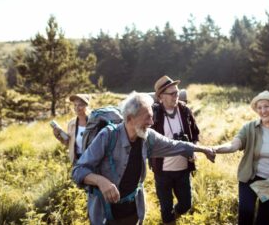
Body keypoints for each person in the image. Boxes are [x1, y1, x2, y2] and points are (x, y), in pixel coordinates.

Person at [72, 92, 215, 225]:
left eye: (152, 116)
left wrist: (203, 149)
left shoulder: (148, 137)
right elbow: (78, 170)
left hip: (133, 210)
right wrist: (101, 181)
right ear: (129, 118)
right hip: (104, 214)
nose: (152, 122)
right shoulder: (108, 136)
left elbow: (174, 145)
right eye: (147, 117)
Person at [212, 90, 269, 225]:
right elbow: (233, 145)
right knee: (246, 213)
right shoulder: (249, 128)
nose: (263, 111)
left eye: (266, 106)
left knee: (264, 220)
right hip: (250, 178)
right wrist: (214, 149)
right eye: (259, 107)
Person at [149, 75, 199, 224]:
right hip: (162, 171)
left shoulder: (185, 111)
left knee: (185, 205)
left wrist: (193, 150)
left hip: (183, 170)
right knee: (165, 208)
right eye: (172, 93)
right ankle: (168, 220)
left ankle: (173, 217)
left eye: (177, 92)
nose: (176, 96)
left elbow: (195, 133)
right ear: (161, 97)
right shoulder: (154, 114)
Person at [53, 93, 90, 164]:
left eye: (80, 105)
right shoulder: (71, 124)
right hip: (77, 160)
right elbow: (69, 144)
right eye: (75, 105)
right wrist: (58, 136)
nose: (76, 108)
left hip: (92, 160)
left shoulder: (94, 122)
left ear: (86, 106)